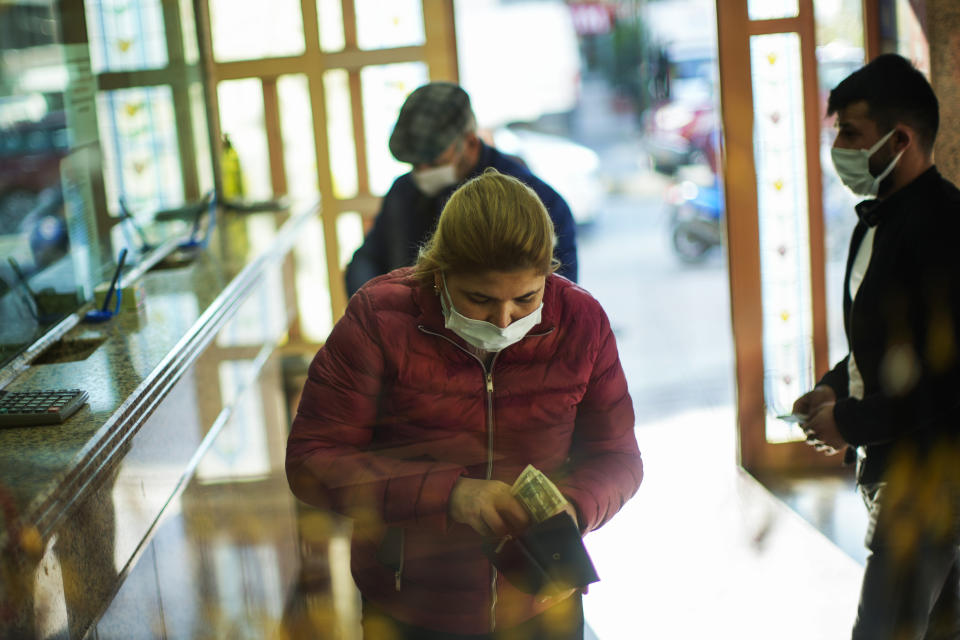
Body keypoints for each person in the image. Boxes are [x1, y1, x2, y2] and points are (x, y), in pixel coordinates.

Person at [287, 169, 642, 638]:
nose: (502, 319)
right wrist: (451, 495)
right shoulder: (380, 319)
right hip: (410, 605)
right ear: (440, 271)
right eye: (479, 299)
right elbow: (313, 462)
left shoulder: (581, 321)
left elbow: (618, 458)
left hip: (540, 604)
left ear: (549, 273)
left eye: (526, 298)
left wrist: (574, 509)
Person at [792, 54, 960, 640]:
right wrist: (832, 388)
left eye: (851, 133)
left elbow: (947, 378)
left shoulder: (944, 227)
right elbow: (885, 343)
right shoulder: (874, 221)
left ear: (901, 139)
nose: (837, 146)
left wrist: (851, 421)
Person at [344, 82, 579, 296]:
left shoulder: (540, 204)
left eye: (434, 162)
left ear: (470, 143)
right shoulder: (404, 191)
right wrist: (372, 307)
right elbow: (368, 258)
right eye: (415, 164)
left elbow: (558, 301)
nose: (423, 172)